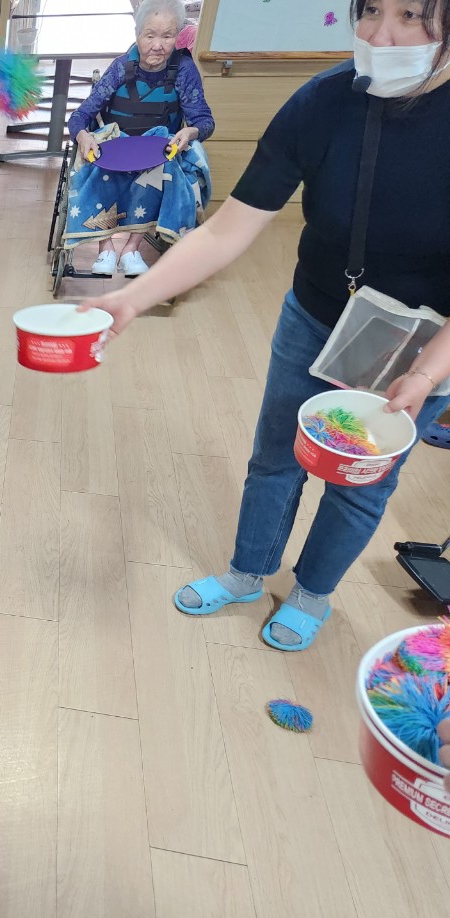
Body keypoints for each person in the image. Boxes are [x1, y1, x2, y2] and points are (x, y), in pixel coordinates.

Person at [83, 0, 450, 652]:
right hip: (316, 314)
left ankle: (312, 594)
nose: (381, 35)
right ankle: (246, 573)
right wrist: (133, 298)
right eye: (370, 10)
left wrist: (424, 376)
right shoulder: (324, 102)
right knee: (277, 454)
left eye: (412, 16)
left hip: (422, 344)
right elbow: (228, 229)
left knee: (361, 480)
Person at [67, 0, 215, 276]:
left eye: (167, 36)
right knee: (95, 163)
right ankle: (105, 248)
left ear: (177, 36)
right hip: (116, 144)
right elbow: (80, 116)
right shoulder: (120, 67)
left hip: (159, 149)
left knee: (166, 170)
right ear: (137, 35)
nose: (158, 45)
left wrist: (190, 131)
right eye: (150, 36)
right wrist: (83, 135)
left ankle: (131, 249)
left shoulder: (184, 70)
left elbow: (204, 121)